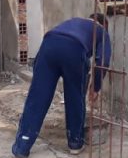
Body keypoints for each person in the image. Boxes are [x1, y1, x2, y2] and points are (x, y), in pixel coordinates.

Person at [11, 13, 112, 158]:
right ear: (104, 25)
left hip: (48, 45)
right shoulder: (102, 31)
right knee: (75, 98)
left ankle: (22, 146)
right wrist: (95, 88)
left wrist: (39, 77)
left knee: (37, 97)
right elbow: (103, 61)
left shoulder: (73, 22)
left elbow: (39, 60)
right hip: (74, 50)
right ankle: (75, 143)